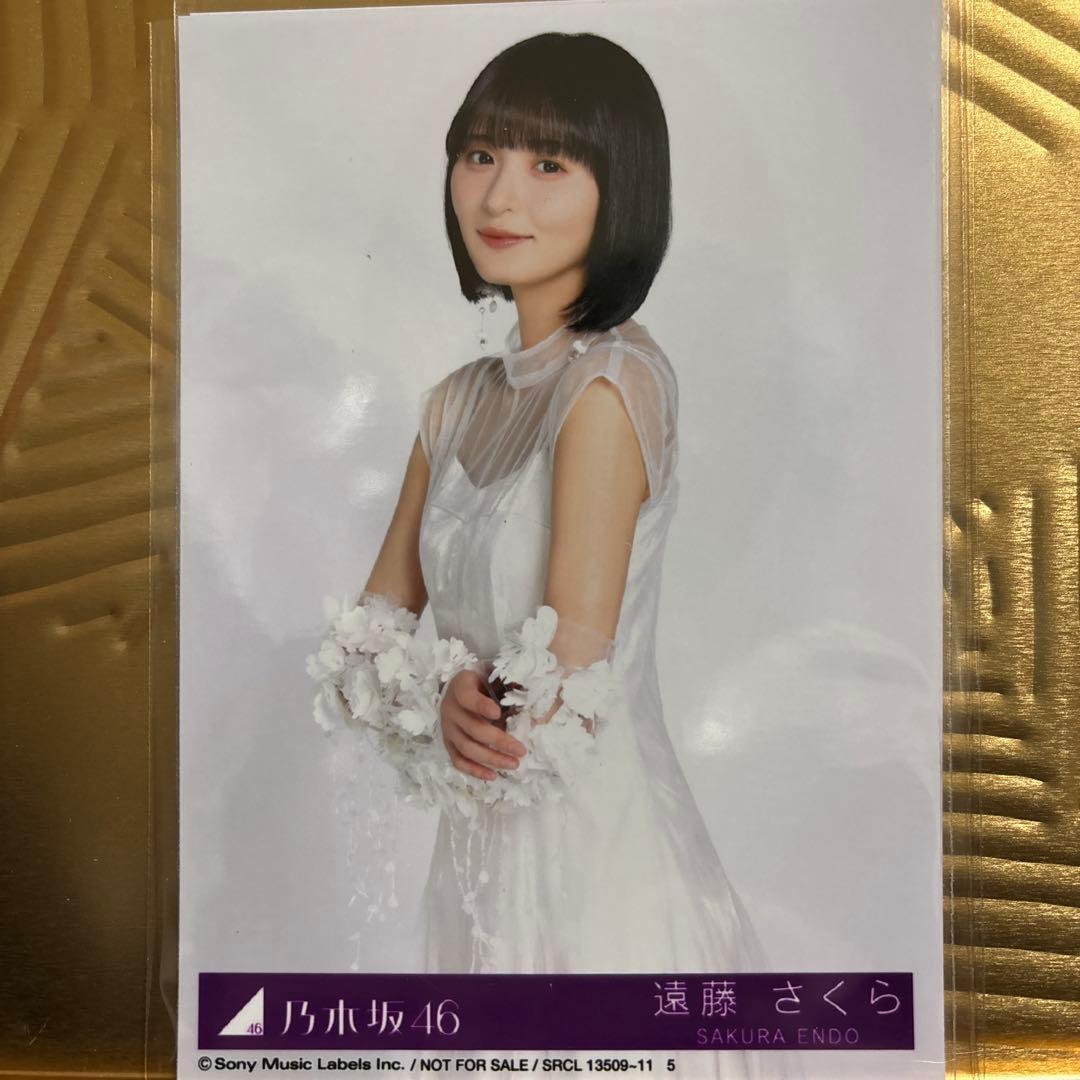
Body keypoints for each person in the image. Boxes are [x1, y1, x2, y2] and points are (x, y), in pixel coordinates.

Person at [357, 32, 787, 1079]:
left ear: (620, 186)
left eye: (549, 162)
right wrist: (431, 697)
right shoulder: (454, 403)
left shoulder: (608, 384)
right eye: (481, 154)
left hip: (595, 864)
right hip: (479, 863)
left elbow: (567, 678)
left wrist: (453, 710)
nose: (500, 194)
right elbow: (367, 636)